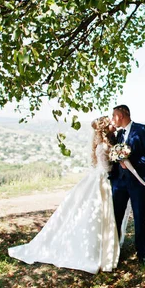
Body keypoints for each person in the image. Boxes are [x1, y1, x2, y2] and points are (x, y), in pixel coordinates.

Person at [8, 116, 120, 274]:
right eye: (110, 124)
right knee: (98, 215)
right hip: (101, 181)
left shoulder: (105, 143)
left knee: (100, 215)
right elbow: (107, 167)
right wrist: (118, 159)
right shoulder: (103, 147)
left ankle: (103, 251)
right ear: (104, 128)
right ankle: (95, 253)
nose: (113, 125)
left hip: (100, 179)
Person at [110, 104, 145, 266]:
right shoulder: (117, 135)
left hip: (139, 181)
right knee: (116, 216)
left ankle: (142, 253)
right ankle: (113, 252)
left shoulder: (143, 129)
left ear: (121, 116)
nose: (112, 118)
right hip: (119, 183)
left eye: (113, 115)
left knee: (139, 217)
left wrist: (133, 163)